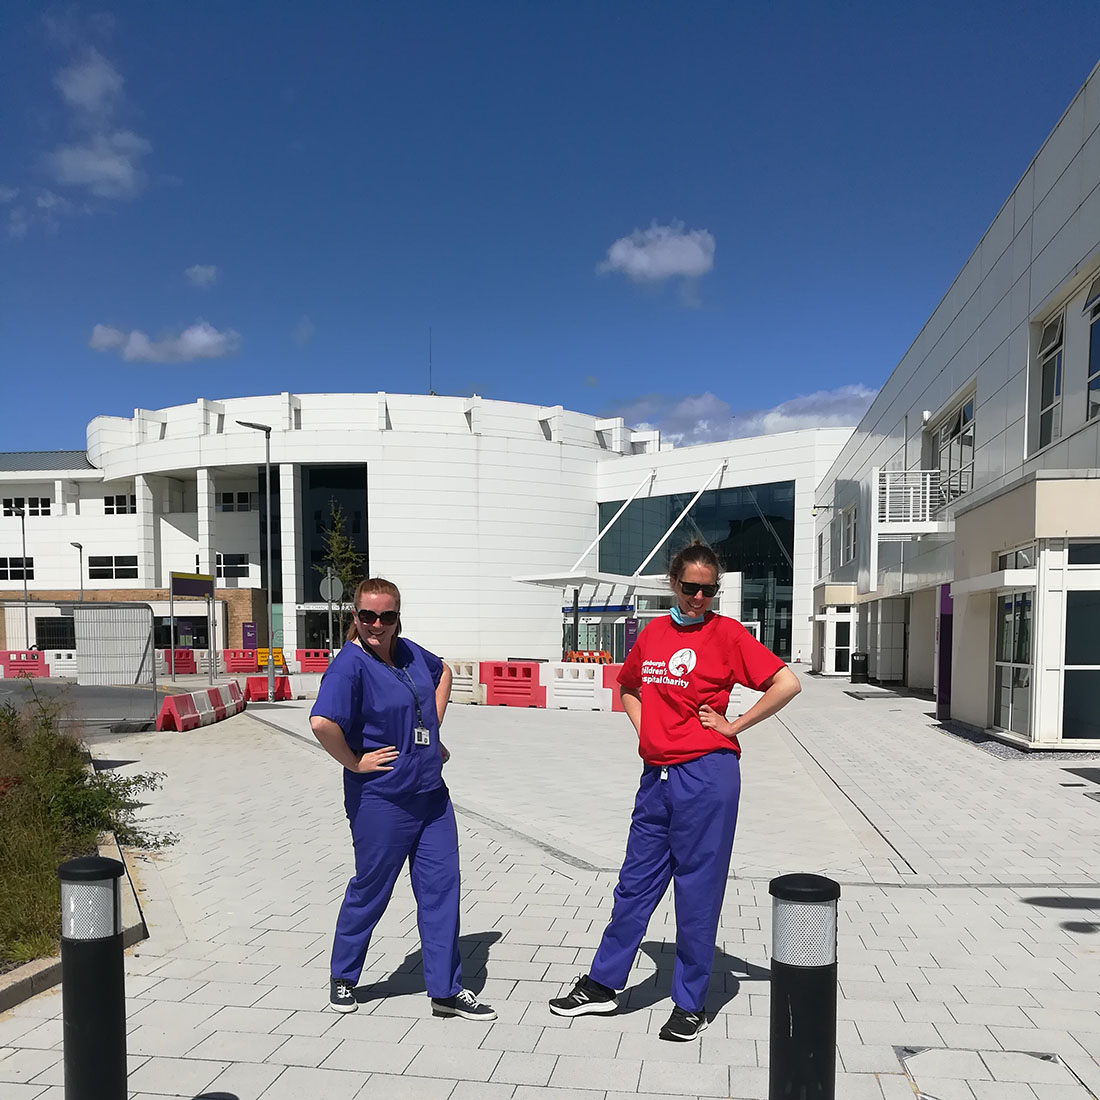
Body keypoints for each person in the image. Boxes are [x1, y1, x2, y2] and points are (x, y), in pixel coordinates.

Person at [549, 540, 801, 1041]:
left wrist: (734, 727)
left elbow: (786, 683)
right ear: (673, 583)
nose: (700, 598)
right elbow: (627, 686)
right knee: (634, 884)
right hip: (657, 777)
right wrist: (646, 732)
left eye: (710, 589)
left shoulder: (727, 634)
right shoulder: (653, 633)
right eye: (691, 588)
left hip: (708, 776)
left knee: (697, 891)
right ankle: (602, 985)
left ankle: (690, 1002)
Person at [309, 577, 495, 1020]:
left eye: (386, 616)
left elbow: (444, 672)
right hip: (382, 800)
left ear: (397, 618)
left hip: (431, 797)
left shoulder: (409, 652)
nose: (377, 624)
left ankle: (446, 991)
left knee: (441, 890)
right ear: (355, 616)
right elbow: (321, 723)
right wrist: (354, 763)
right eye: (368, 615)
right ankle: (343, 976)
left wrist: (433, 733)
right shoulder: (350, 665)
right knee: (372, 888)